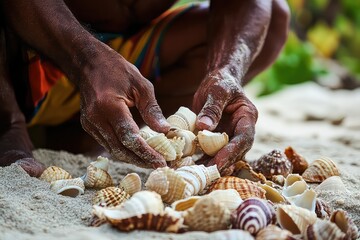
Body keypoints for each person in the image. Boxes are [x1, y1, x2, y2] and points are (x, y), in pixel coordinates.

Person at [0, 0, 290, 177]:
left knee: (273, 16)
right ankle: (8, 126)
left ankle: (88, 133)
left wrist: (226, 71)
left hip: (118, 57)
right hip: (25, 50)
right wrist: (88, 60)